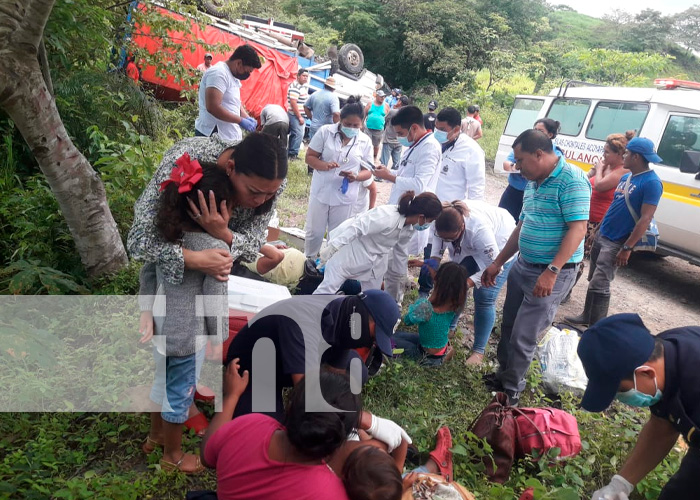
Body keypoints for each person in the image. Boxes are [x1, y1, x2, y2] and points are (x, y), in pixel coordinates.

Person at [138, 161, 235, 475]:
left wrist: (146, 311)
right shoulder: (215, 247)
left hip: (161, 324)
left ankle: (154, 437)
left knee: (160, 381)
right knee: (179, 395)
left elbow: (147, 273)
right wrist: (218, 338)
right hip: (186, 335)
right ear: (213, 210)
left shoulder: (166, 237)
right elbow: (215, 300)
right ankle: (173, 456)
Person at [481, 129, 590, 406]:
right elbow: (522, 225)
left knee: (524, 334)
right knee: (508, 326)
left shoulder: (572, 180)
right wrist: (498, 262)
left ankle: (511, 392)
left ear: (539, 154)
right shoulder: (533, 181)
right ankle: (504, 375)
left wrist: (552, 271)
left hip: (551, 272)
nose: (516, 166)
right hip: (523, 265)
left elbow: (578, 230)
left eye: (520, 160)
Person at [127, 133, 287, 287]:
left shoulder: (271, 182)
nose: (260, 201)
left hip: (220, 268)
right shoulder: (187, 157)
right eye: (253, 192)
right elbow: (140, 240)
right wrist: (194, 259)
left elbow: (253, 246)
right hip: (168, 277)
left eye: (270, 194)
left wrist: (223, 234)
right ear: (230, 167)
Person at [224, 289, 401, 420]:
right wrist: (365, 422)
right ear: (363, 317)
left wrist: (340, 412)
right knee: (264, 429)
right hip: (254, 369)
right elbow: (308, 396)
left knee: (356, 371)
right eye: (373, 336)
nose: (370, 343)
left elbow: (334, 377)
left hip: (292, 357)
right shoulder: (302, 321)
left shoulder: (346, 314)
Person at [577, 313, 700, 500]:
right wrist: (620, 484)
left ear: (646, 373)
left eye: (620, 391)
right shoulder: (663, 354)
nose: (619, 399)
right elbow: (662, 426)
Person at [565, 138, 663, 327]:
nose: (623, 157)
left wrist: (627, 247)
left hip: (617, 241)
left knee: (600, 283)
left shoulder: (652, 182)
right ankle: (587, 316)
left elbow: (645, 218)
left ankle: (596, 327)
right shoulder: (627, 178)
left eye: (626, 154)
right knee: (593, 279)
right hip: (603, 235)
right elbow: (613, 207)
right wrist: (597, 230)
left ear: (635, 157)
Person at [414, 200, 517, 365]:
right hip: (471, 248)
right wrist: (434, 264)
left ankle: (478, 351)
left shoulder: (478, 231)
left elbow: (496, 266)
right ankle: (450, 327)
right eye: (444, 237)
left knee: (484, 296)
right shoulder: (442, 221)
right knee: (455, 284)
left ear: (461, 228)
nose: (447, 240)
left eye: (451, 238)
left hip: (501, 247)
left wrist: (468, 282)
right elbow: (438, 246)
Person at [374, 105, 442, 303]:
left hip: (410, 215)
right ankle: (384, 298)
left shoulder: (430, 148)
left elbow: (420, 184)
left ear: (414, 128)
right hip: (398, 210)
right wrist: (386, 173)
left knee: (396, 264)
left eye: (402, 133)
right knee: (388, 259)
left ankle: (392, 306)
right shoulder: (414, 145)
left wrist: (390, 176)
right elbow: (404, 175)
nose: (400, 137)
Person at [314, 191, 442, 295]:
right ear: (421, 217)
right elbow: (357, 227)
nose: (428, 225)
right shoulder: (387, 216)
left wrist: (401, 277)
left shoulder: (409, 228)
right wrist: (334, 247)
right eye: (430, 220)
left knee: (372, 297)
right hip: (350, 251)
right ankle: (307, 316)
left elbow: (401, 254)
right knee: (327, 291)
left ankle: (363, 321)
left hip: (376, 259)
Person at [561, 131, 633, 304]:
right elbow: (586, 179)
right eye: (604, 150)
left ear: (619, 154)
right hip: (583, 214)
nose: (603, 155)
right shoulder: (604, 166)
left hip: (597, 221)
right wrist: (594, 169)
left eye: (608, 152)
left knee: (578, 256)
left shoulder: (622, 171)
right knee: (567, 250)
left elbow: (600, 186)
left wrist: (599, 169)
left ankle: (566, 291)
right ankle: (563, 288)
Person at [304, 97, 374, 258]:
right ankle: (309, 261)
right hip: (321, 190)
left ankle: (328, 266)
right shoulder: (325, 132)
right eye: (348, 124)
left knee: (337, 235)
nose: (351, 128)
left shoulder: (365, 141)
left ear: (362, 124)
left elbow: (368, 171)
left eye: (356, 125)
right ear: (340, 120)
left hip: (345, 196)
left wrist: (356, 176)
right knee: (314, 232)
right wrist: (325, 165)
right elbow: (310, 157)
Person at [394, 262, 467, 367]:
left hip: (425, 355)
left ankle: (438, 361)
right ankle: (444, 355)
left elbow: (407, 320)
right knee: (397, 336)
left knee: (390, 340)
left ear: (437, 282)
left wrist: (425, 300)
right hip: (437, 348)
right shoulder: (456, 305)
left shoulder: (426, 307)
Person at [499, 118, 563, 222]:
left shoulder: (555, 153)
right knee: (502, 221)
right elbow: (506, 164)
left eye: (540, 131)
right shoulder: (523, 146)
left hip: (536, 195)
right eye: (534, 129)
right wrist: (516, 167)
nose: (535, 133)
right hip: (513, 191)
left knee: (523, 223)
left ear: (550, 134)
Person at [194, 44, 261, 141]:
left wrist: (246, 117)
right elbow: (213, 107)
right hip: (213, 134)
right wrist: (240, 120)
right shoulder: (219, 73)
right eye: (248, 71)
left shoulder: (233, 75)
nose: (248, 75)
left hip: (227, 135)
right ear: (238, 63)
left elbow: (234, 101)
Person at [433, 107, 486, 202]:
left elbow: (476, 190)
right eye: (436, 128)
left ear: (456, 129)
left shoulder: (471, 150)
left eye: (442, 129)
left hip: (450, 209)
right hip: (429, 205)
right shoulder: (434, 143)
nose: (437, 132)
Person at [242, 243, 306, 287]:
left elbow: (247, 243)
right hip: (290, 273)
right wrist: (271, 248)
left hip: (290, 272)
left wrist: (271, 248)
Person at [286, 68, 310, 160]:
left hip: (298, 115)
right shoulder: (295, 86)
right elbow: (293, 103)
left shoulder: (301, 86)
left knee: (296, 134)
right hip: (294, 115)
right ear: (298, 76)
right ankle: (292, 155)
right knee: (298, 134)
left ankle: (292, 153)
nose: (305, 78)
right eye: (304, 76)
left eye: (307, 76)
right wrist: (299, 116)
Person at [381, 95, 410, 170]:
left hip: (389, 139)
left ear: (400, 102)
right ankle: (393, 176)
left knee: (384, 161)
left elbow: (385, 120)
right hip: (399, 141)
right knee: (396, 162)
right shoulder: (407, 114)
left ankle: (380, 177)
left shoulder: (393, 112)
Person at [364, 90, 390, 162]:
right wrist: (361, 124)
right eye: (381, 96)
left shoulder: (386, 105)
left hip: (379, 129)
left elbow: (388, 117)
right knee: (366, 142)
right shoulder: (370, 104)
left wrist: (386, 127)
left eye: (384, 96)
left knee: (376, 145)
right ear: (376, 96)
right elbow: (364, 114)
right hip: (368, 128)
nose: (383, 98)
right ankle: (365, 156)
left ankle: (374, 157)